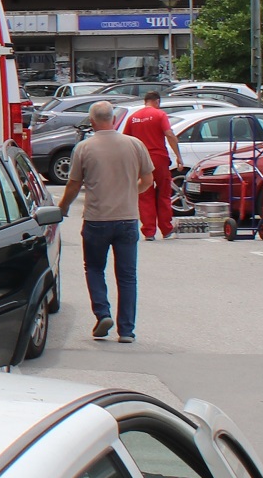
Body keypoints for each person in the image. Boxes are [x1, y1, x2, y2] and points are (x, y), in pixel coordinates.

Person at [56, 101, 155, 341]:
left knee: (94, 268)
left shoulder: (83, 148)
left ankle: (102, 314)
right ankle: (127, 331)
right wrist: (130, 193)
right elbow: (148, 180)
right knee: (127, 276)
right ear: (114, 119)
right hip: (127, 219)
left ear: (92, 122)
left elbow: (73, 185)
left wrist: (62, 208)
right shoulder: (134, 144)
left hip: (96, 220)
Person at [123, 87, 185, 240]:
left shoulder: (133, 117)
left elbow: (126, 140)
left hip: (141, 160)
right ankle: (166, 229)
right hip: (159, 158)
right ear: (157, 102)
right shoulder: (160, 114)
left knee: (145, 194)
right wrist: (178, 156)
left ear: (145, 102)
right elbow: (169, 134)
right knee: (164, 193)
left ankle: (149, 231)